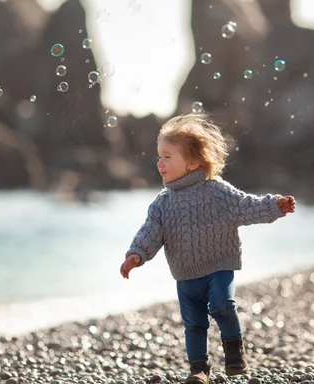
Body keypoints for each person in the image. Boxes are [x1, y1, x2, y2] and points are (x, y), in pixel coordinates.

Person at [120, 113, 296, 384]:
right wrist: (136, 254)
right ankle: (198, 370)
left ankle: (235, 354)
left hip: (218, 267)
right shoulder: (162, 204)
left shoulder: (217, 191)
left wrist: (275, 206)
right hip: (185, 275)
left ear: (192, 162)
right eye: (159, 156)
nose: (159, 163)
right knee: (194, 325)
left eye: (167, 156)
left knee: (223, 305)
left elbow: (246, 206)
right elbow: (150, 231)